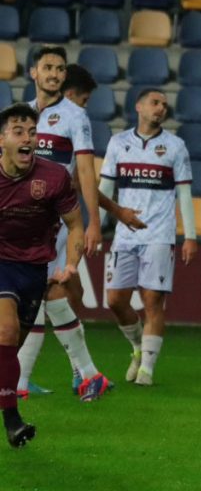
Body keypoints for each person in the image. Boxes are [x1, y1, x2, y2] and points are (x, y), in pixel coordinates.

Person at [17, 46, 118, 402]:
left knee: (39, 291)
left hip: (54, 219)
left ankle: (24, 381)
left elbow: (87, 172)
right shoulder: (20, 115)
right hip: (19, 217)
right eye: (48, 67)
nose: (55, 74)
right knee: (46, 293)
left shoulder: (75, 116)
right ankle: (87, 375)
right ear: (34, 72)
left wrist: (92, 222)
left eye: (60, 69)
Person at [97, 89, 197, 386]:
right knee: (115, 300)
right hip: (125, 235)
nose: (161, 108)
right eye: (155, 103)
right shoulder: (118, 143)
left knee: (152, 301)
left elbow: (185, 194)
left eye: (165, 105)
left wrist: (189, 235)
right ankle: (138, 347)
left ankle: (147, 370)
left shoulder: (175, 146)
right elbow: (104, 190)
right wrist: (94, 228)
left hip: (159, 233)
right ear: (138, 107)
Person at [0, 103, 84, 447]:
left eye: (32, 133)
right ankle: (13, 422)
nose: (28, 138)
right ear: (1, 139)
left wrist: (72, 263)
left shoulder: (53, 177)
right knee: (6, 331)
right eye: (18, 132)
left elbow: (76, 224)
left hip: (34, 268)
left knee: (10, 347)